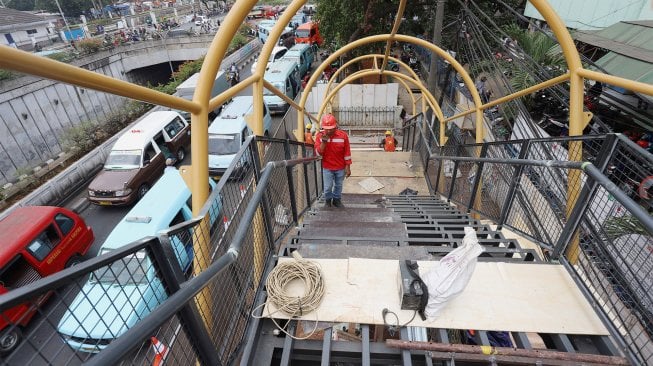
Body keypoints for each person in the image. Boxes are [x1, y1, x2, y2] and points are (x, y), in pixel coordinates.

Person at [314, 114, 352, 208]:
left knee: (338, 186)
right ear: (323, 127)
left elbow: (347, 152)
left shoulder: (343, 136)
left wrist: (348, 167)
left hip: (340, 167)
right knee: (327, 187)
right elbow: (318, 154)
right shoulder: (319, 136)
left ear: (335, 126)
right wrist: (324, 142)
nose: (329, 130)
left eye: (331, 128)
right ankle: (328, 201)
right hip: (327, 167)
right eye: (327, 129)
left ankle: (336, 200)